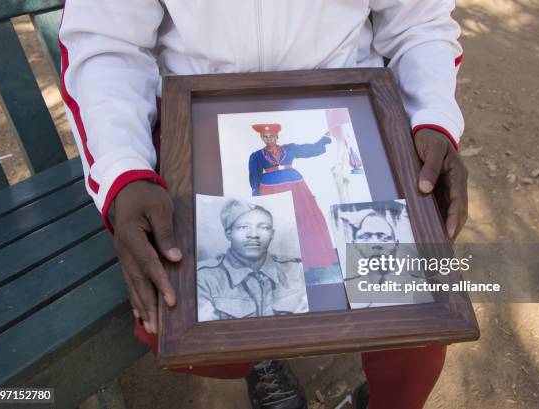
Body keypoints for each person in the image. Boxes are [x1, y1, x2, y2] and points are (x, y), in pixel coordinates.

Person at [59, 2, 469, 409]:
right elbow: (106, 43)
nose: (273, 143)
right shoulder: (258, 156)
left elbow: (419, 21)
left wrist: (432, 117)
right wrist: (123, 169)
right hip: (201, 130)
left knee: (414, 316)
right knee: (196, 307)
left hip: (347, 105)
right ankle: (262, 358)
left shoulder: (288, 149)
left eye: (275, 140)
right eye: (269, 140)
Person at [249, 123, 339, 275]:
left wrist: (325, 139)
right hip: (271, 189)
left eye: (271, 136)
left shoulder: (289, 149)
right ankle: (286, 263)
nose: (268, 139)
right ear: (261, 138)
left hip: (296, 187)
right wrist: (258, 198)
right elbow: (254, 177)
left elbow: (309, 149)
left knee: (305, 218)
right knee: (282, 222)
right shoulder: (257, 155)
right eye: (265, 137)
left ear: (277, 136)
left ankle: (313, 259)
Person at [197, 199, 308, 321]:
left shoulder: (297, 270)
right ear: (228, 234)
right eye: (243, 227)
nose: (254, 234)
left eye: (263, 227)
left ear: (272, 234)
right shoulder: (204, 278)